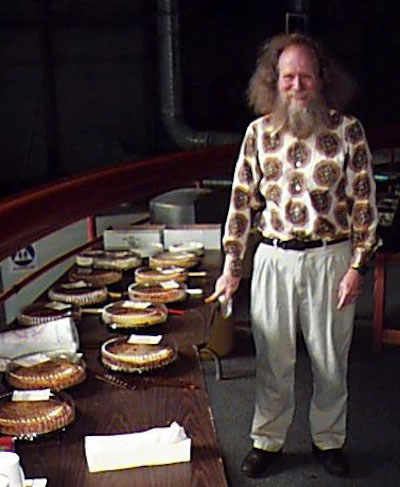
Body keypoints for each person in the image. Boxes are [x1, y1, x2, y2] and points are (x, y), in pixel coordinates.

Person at [207, 33, 379, 478]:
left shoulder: (348, 131)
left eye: (305, 75)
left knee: (329, 358)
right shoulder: (258, 134)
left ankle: (328, 440)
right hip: (274, 260)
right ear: (273, 81)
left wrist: (359, 266)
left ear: (322, 79)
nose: (297, 85)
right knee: (273, 357)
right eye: (288, 77)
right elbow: (242, 205)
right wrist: (230, 270)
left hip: (331, 259)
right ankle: (268, 440)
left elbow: (364, 206)